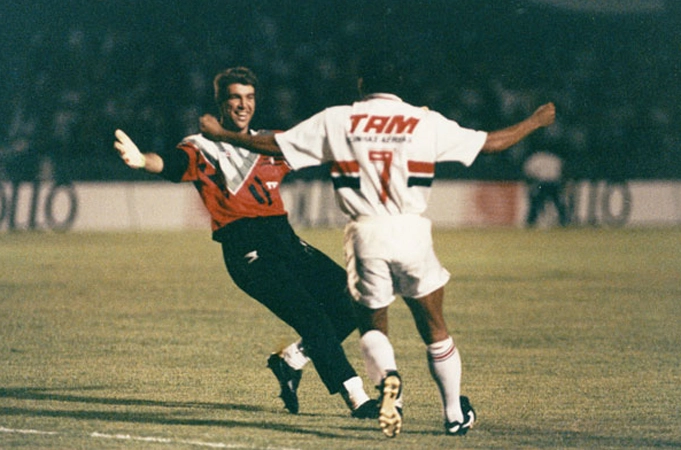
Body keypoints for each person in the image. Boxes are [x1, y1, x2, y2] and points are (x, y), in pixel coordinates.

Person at [198, 56, 556, 438]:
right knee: (434, 326)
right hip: (411, 230)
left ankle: (390, 392)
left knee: (372, 328)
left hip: (366, 233)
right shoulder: (423, 120)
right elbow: (490, 144)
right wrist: (535, 121)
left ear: (361, 85)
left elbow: (275, 144)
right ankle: (454, 414)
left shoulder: (338, 119)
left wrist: (226, 137)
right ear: (401, 86)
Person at [113, 67, 378, 419]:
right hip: (248, 252)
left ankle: (291, 361)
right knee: (313, 317)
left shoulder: (268, 143)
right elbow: (172, 165)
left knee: (352, 300)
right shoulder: (201, 146)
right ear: (221, 102)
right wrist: (141, 161)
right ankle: (357, 398)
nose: (243, 105)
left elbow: (319, 146)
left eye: (249, 98)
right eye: (235, 97)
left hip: (285, 241)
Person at [523, 149, 569, 227]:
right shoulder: (554, 157)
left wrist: (532, 184)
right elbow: (563, 171)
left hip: (542, 183)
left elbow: (528, 173)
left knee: (536, 202)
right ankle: (564, 220)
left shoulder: (535, 158)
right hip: (553, 183)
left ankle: (531, 221)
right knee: (558, 202)